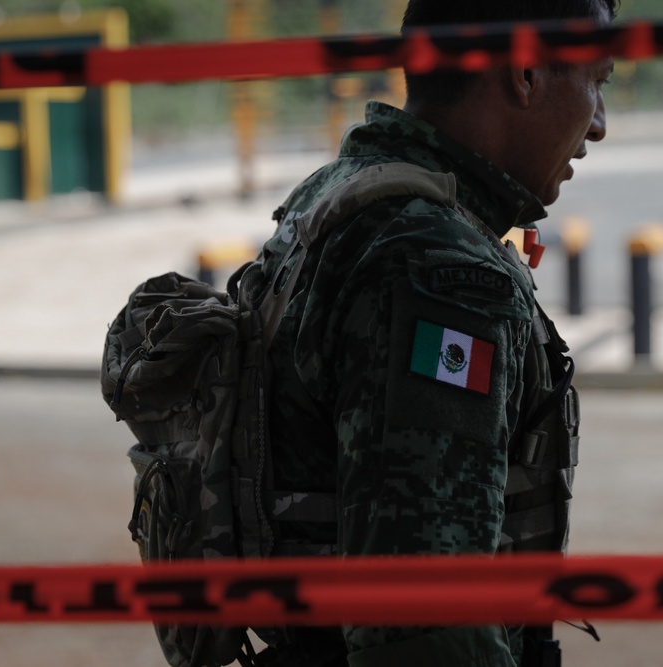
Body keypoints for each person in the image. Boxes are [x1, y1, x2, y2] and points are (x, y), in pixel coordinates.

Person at [257, 1, 616, 665]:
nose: (598, 123)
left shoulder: (336, 194)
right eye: (596, 80)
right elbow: (425, 624)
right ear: (527, 72)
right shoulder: (440, 266)